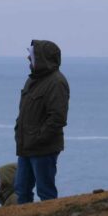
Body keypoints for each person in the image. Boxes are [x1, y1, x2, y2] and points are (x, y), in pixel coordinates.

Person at [14, 40, 70, 204]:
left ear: (42, 58)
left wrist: (39, 138)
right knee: (21, 188)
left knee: (45, 191)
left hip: (43, 147)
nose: (28, 58)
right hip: (26, 145)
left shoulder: (56, 82)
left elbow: (58, 117)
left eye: (31, 55)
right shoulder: (33, 80)